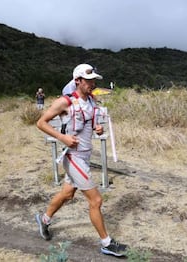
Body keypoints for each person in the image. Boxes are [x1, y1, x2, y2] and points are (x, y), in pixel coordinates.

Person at [35, 63, 128, 257]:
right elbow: (41, 123)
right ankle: (106, 243)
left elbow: (91, 123)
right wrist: (62, 137)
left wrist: (98, 129)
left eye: (94, 80)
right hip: (73, 157)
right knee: (96, 200)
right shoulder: (65, 102)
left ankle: (44, 220)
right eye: (88, 80)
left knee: (68, 194)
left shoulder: (92, 101)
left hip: (85, 156)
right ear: (77, 81)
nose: (92, 83)